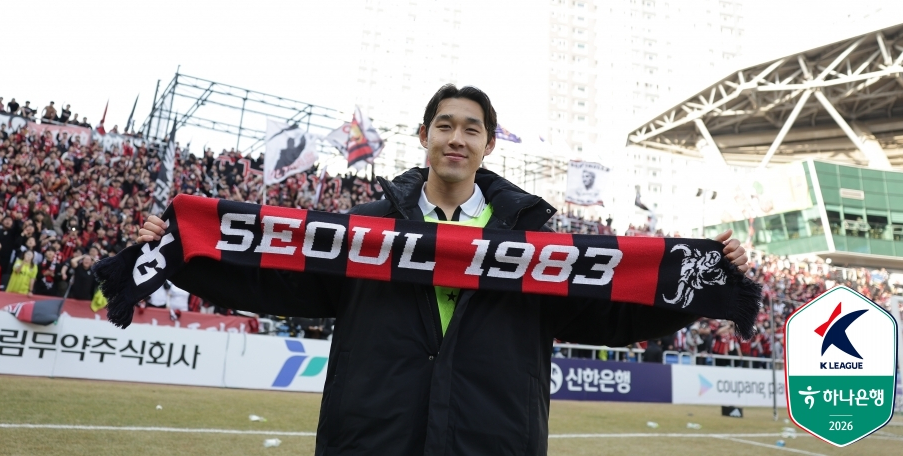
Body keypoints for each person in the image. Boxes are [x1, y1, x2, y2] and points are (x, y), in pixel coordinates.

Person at [139, 84, 749, 455]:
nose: (457, 137)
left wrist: (700, 286)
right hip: (374, 438)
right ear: (424, 136)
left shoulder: (534, 241)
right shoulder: (369, 227)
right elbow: (282, 278)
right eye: (445, 125)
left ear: (488, 146)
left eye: (471, 129)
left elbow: (604, 312)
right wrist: (181, 254)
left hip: (492, 438)